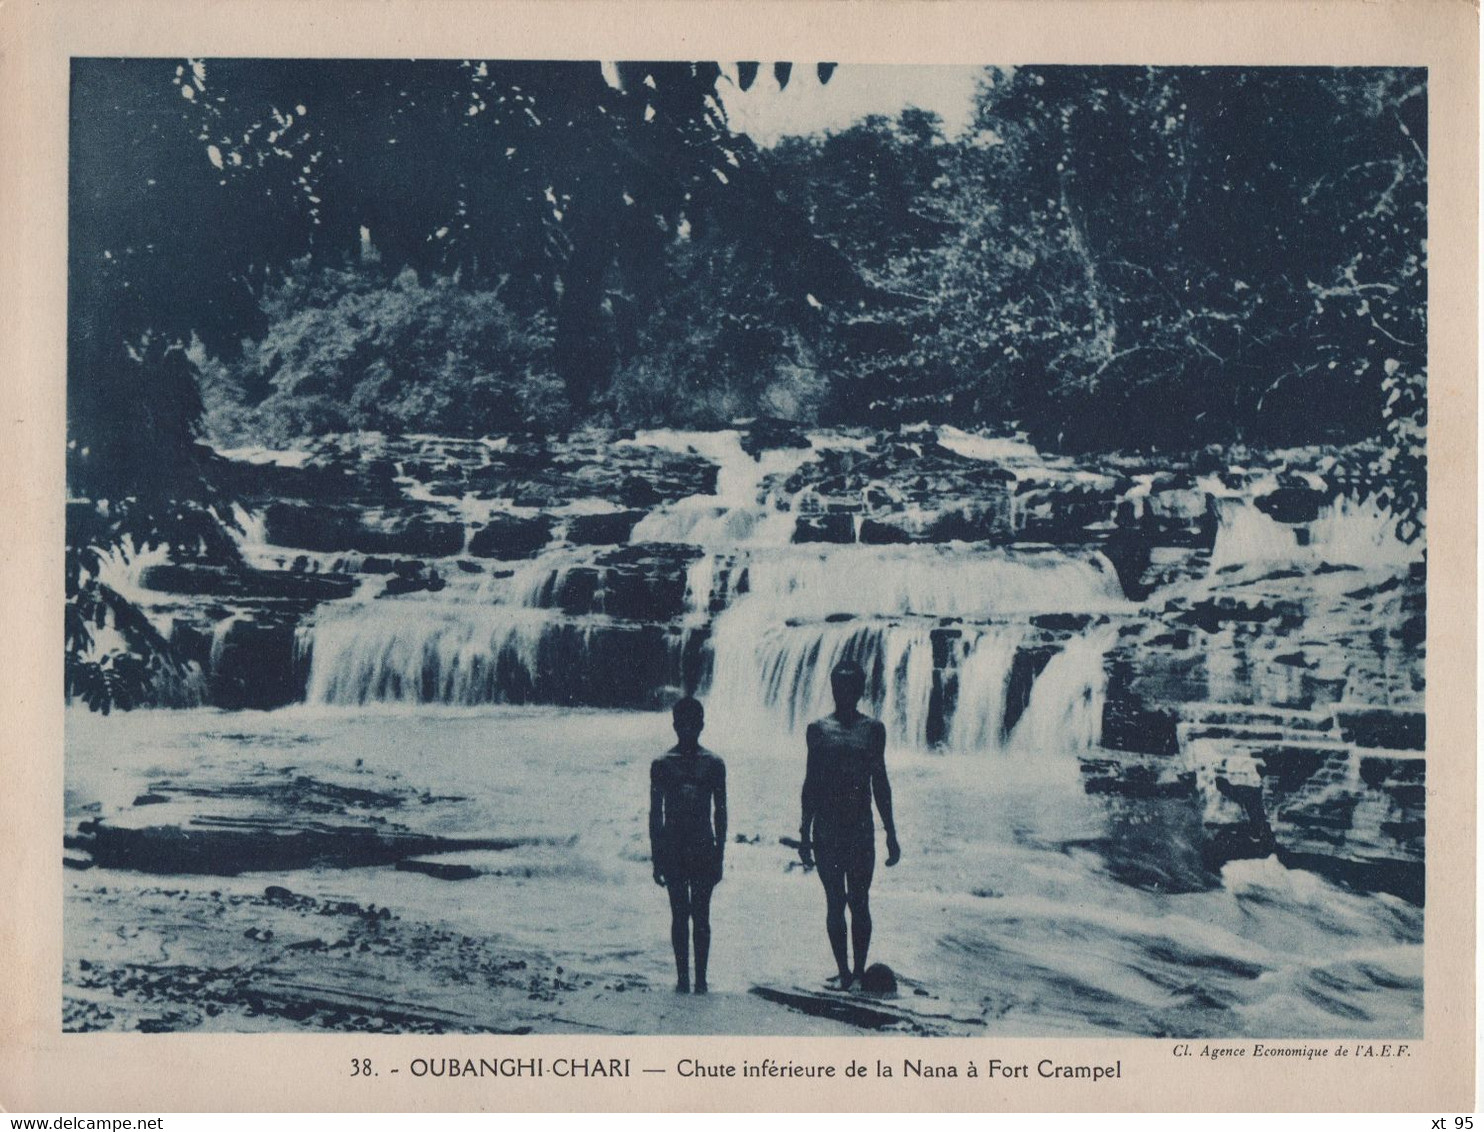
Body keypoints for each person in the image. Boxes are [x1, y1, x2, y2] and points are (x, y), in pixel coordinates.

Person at [798, 659, 901, 991]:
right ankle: (843, 971)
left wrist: (892, 833)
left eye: (850, 686)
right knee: (834, 902)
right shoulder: (818, 730)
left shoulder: (873, 730)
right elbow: (810, 783)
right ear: (832, 688)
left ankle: (858, 971)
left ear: (859, 690)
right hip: (826, 829)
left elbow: (880, 783)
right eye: (838, 685)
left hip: (860, 828)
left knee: (860, 901)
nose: (843, 692)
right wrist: (804, 831)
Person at [650, 697, 727, 994]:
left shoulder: (714, 764)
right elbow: (655, 815)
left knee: (702, 916)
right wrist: (656, 859)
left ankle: (701, 980)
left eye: (693, 725)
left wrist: (720, 855)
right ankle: (683, 978)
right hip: (674, 848)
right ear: (674, 726)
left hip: (703, 846)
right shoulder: (662, 764)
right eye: (683, 725)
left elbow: (721, 812)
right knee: (679, 915)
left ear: (702, 726)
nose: (688, 730)